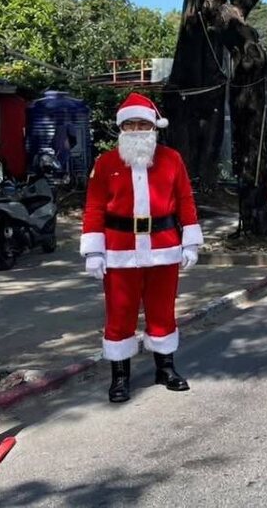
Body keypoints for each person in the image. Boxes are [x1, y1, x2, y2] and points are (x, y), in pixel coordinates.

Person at [80, 93, 203, 403]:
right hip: (119, 250)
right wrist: (94, 250)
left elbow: (186, 200)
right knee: (120, 313)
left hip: (164, 247)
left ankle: (166, 368)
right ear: (122, 129)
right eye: (131, 124)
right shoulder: (106, 162)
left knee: (162, 310)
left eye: (143, 124)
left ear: (154, 128)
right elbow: (94, 207)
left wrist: (190, 241)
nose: (137, 129)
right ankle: (120, 377)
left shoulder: (171, 159)